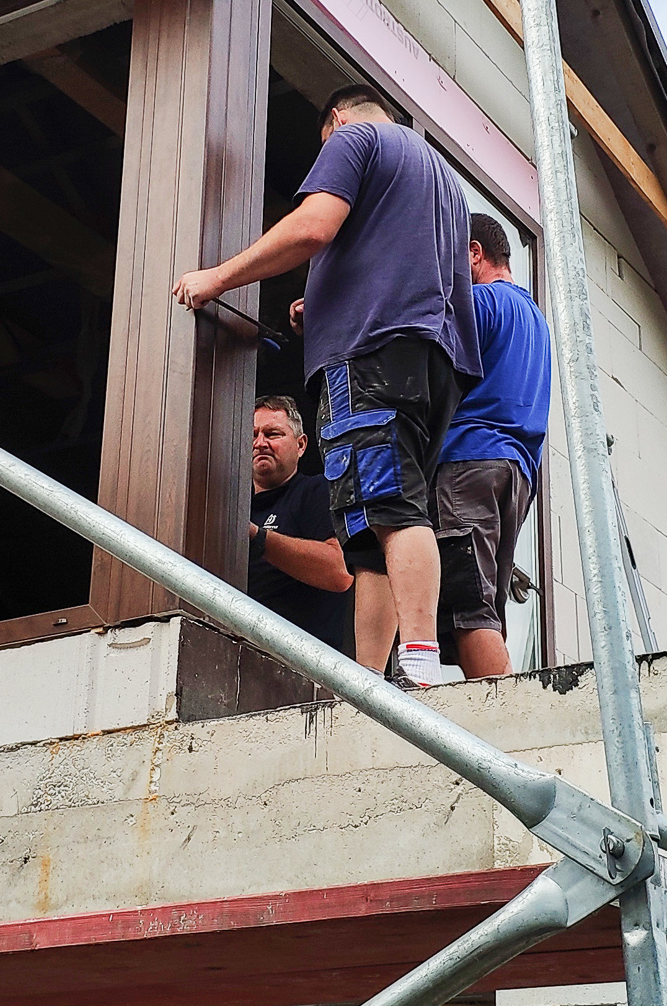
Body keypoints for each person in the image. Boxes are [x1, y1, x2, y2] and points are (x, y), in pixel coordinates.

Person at [174, 84, 479, 687]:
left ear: (336, 120)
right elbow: (396, 262)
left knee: (392, 509)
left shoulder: (355, 137)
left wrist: (218, 278)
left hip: (370, 356)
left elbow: (313, 228)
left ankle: (421, 663)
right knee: (368, 535)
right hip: (431, 360)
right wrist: (322, 304)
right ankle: (371, 682)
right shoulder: (441, 177)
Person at [434, 213, 551, 679]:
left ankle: (506, 719)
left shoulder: (479, 302)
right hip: (517, 474)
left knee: (469, 606)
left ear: (474, 253)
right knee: (487, 605)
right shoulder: (535, 320)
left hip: (469, 463)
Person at [245, 395, 353, 655]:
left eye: (273, 434)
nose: (260, 443)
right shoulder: (232, 504)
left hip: (304, 660)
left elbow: (339, 572)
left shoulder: (317, 491)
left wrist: (257, 537)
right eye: (253, 435)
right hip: (237, 651)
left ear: (301, 445)